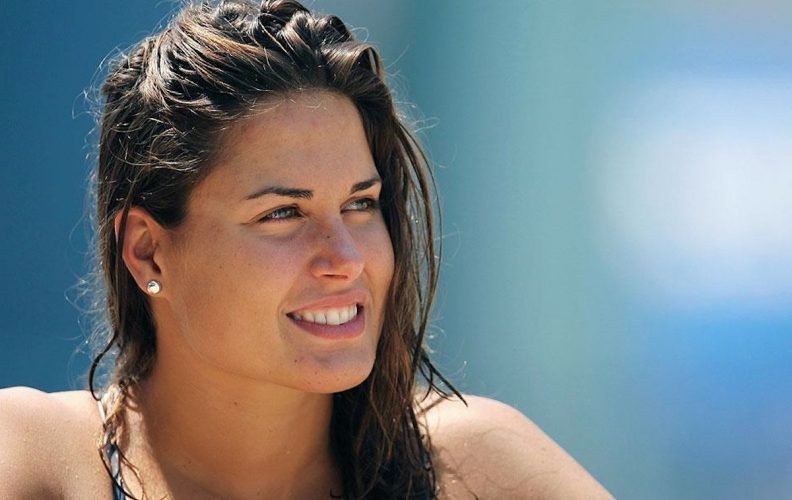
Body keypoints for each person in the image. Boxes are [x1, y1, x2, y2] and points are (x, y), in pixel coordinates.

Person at [0, 1, 612, 498]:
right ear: (147, 252)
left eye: (360, 204)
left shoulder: (474, 470)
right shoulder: (37, 459)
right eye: (282, 214)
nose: (346, 258)